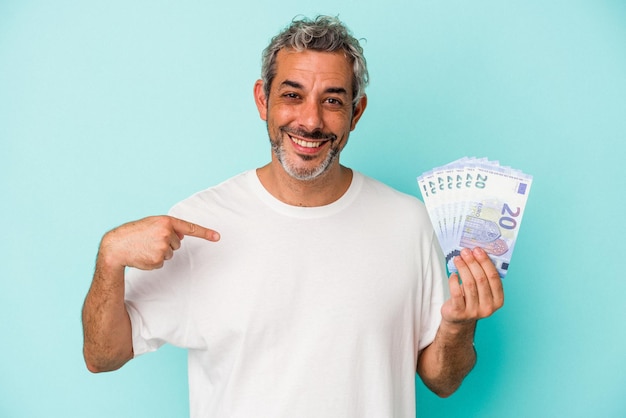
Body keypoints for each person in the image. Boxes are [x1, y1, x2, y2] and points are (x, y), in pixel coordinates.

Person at [82, 15, 504, 418]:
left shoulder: (408, 223)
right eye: (292, 95)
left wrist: (457, 326)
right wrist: (109, 259)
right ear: (262, 100)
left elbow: (442, 381)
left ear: (356, 113)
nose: (310, 120)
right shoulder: (199, 222)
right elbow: (103, 355)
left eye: (333, 100)